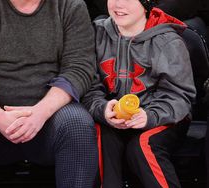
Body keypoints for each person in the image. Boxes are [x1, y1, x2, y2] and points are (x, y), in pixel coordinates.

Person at [0, 0, 99, 187]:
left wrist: (40, 113)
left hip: (51, 118)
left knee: (78, 125)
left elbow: (78, 68)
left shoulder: (70, 6)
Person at [82, 0, 197, 187]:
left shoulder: (167, 41)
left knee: (143, 146)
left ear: (145, 4)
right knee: (101, 137)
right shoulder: (96, 33)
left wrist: (150, 116)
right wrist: (102, 109)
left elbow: (179, 95)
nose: (118, 5)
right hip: (113, 117)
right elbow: (88, 84)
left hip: (163, 115)